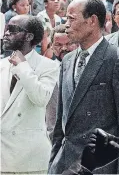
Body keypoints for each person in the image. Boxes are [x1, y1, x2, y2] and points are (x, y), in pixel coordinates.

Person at [48, 0, 119, 174]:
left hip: (100, 165)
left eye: (72, 18)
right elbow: (61, 124)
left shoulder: (117, 59)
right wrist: (54, 163)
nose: (66, 24)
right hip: (66, 164)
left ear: (92, 21)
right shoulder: (67, 61)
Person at [1, 15, 59, 174]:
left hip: (30, 160)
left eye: (12, 30)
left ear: (29, 36)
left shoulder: (48, 66)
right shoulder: (1, 65)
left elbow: (41, 98)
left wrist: (23, 67)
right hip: (2, 158)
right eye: (6, 29)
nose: (6, 34)